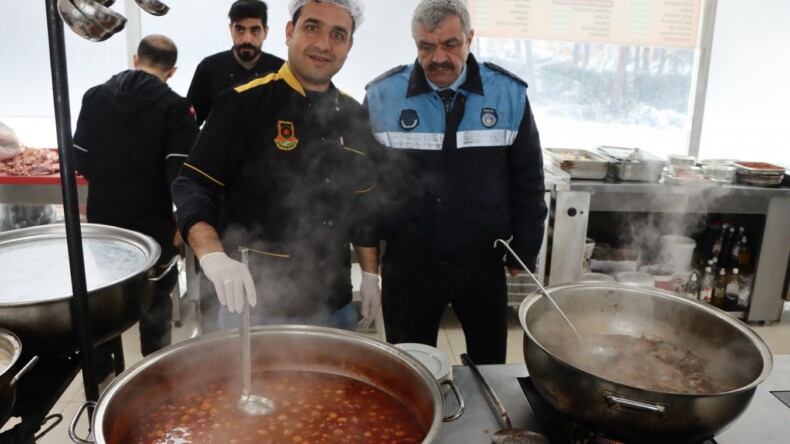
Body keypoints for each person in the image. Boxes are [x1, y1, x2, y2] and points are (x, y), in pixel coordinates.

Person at [172, 0, 381, 332]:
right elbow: (193, 184)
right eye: (312, 27)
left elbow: (363, 207)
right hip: (257, 308)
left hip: (336, 305)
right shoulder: (242, 103)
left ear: (349, 46)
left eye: (338, 34)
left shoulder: (354, 115)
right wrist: (212, 255)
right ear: (288, 32)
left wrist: (370, 275)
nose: (324, 44)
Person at [364, 0, 547, 364]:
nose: (438, 58)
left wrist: (526, 248)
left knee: (490, 365)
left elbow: (528, 177)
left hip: (481, 263)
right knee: (410, 370)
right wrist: (369, 269)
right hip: (408, 264)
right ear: (414, 43)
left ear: (470, 39)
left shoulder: (507, 94)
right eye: (426, 47)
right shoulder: (383, 97)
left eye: (450, 44)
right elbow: (364, 188)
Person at [73, 35, 199, 376]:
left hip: (105, 222)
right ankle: (154, 376)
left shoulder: (95, 97)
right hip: (153, 227)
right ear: (172, 70)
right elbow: (181, 175)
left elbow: (79, 159)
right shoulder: (176, 107)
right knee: (154, 304)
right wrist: (181, 222)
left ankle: (101, 372)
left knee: (106, 297)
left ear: (135, 57)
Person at [187, 0, 284, 127]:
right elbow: (189, 123)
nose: (247, 39)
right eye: (240, 30)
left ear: (265, 32)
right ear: (230, 29)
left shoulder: (281, 71)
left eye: (255, 31)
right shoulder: (209, 68)